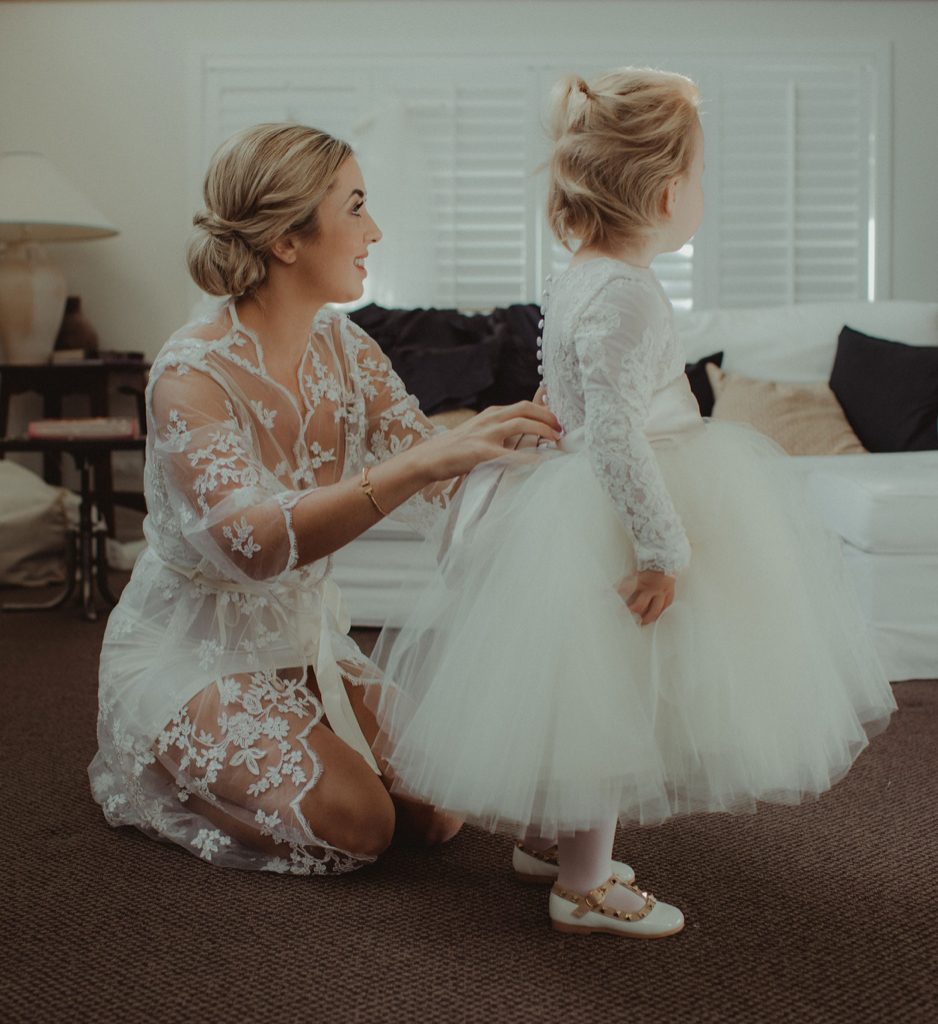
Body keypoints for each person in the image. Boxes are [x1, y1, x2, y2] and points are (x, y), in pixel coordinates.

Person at [369, 69, 897, 937]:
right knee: (612, 693)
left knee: (569, 689)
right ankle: (582, 883)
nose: (701, 195)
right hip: (618, 502)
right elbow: (614, 433)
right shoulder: (631, 294)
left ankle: (549, 836)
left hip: (577, 489)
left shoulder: (580, 273)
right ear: (664, 193)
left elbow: (563, 384)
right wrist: (664, 549)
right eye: (699, 178)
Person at [87, 122, 561, 875]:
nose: (374, 230)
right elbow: (252, 547)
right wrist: (416, 466)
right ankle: (152, 771)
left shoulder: (347, 347)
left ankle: (291, 743)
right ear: (287, 240)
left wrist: (535, 439)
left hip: (303, 638)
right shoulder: (190, 376)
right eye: (356, 208)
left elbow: (434, 476)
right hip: (192, 648)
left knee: (440, 812)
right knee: (363, 825)